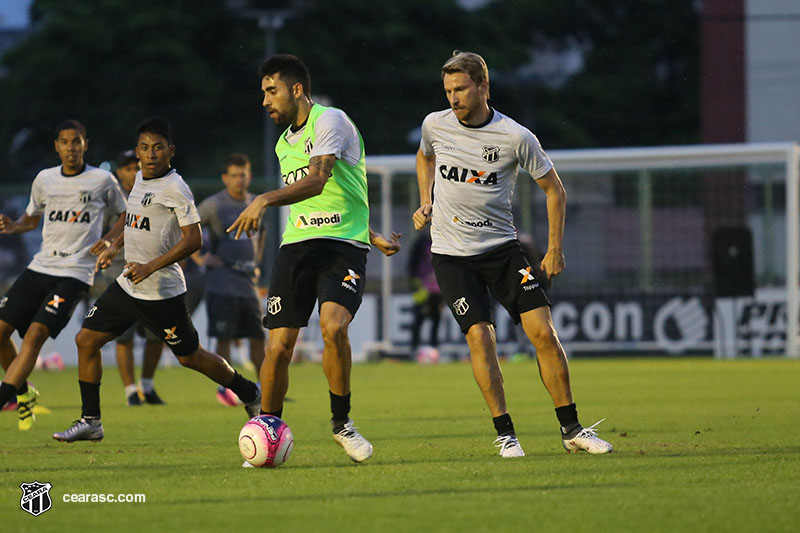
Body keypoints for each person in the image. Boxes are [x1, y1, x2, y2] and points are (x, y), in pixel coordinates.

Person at [413, 51, 612, 457]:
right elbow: (425, 156)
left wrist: (554, 248)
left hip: (502, 250)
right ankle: (506, 433)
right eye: (448, 90)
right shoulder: (435, 124)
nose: (454, 98)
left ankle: (571, 429)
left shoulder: (515, 137)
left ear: (483, 86)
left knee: (544, 333)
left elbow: (554, 189)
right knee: (481, 337)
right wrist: (426, 200)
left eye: (462, 89)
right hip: (451, 254)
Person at [228, 54, 400, 463]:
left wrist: (265, 198)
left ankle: (342, 424)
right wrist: (375, 233)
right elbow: (332, 194)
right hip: (297, 247)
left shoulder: (331, 120)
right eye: (263, 93)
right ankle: (268, 428)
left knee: (333, 327)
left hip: (342, 247)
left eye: (272, 91)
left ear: (297, 89)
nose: (265, 101)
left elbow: (320, 178)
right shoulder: (283, 141)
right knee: (279, 348)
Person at [53, 117, 261, 442]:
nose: (150, 154)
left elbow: (194, 240)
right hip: (128, 285)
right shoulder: (139, 178)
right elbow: (130, 219)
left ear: (170, 151)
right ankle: (91, 421)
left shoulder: (176, 188)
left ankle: (248, 391)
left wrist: (150, 266)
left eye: (158, 148)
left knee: (190, 357)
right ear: (138, 151)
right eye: (145, 148)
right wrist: (112, 243)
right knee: (86, 340)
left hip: (162, 292)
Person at [0, 119, 127, 430]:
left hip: (74, 273)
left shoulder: (102, 180)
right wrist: (15, 226)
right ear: (56, 146)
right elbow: (31, 218)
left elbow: (127, 214)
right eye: (65, 142)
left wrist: (111, 239)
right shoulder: (45, 180)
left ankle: (4, 396)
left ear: (86, 144)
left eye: (77, 141)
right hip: (40, 267)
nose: (71, 147)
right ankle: (23, 393)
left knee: (35, 334)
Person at [196, 153, 265, 403]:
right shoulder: (214, 205)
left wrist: (256, 261)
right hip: (222, 282)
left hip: (248, 283)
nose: (239, 180)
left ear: (250, 176)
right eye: (234, 175)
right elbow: (188, 227)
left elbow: (262, 233)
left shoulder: (256, 202)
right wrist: (200, 259)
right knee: (223, 338)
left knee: (258, 337)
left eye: (243, 174)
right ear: (225, 178)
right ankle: (225, 388)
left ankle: (264, 388)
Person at [109, 149, 167, 406]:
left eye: (137, 166)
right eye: (128, 168)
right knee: (125, 335)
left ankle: (147, 384)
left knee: (158, 333)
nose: (134, 171)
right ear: (119, 172)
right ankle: (130, 390)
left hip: (151, 271)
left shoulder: (153, 191)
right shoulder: (111, 197)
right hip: (117, 273)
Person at [407, 231, 443, 356]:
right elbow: (412, 263)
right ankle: (414, 347)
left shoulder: (444, 241)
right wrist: (415, 283)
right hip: (423, 288)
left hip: (439, 288)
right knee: (419, 318)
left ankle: (434, 348)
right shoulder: (422, 243)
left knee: (436, 318)